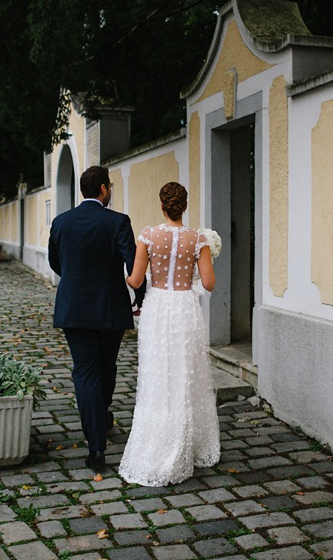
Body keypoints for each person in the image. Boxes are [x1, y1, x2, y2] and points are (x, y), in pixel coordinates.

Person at [117, 182, 220, 487]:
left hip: (158, 308)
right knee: (185, 375)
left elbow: (136, 282)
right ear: (184, 207)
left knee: (158, 375)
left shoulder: (148, 235)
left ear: (162, 206)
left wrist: (123, 273)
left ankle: (158, 442)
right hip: (185, 308)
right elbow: (210, 284)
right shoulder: (197, 239)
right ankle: (187, 443)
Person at [48, 166, 145, 472]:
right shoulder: (118, 221)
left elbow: (55, 261)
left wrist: (77, 279)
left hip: (74, 309)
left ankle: (96, 446)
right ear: (104, 189)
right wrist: (140, 299)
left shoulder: (61, 222)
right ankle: (100, 418)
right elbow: (133, 267)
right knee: (106, 366)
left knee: (85, 371)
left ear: (83, 190)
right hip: (110, 309)